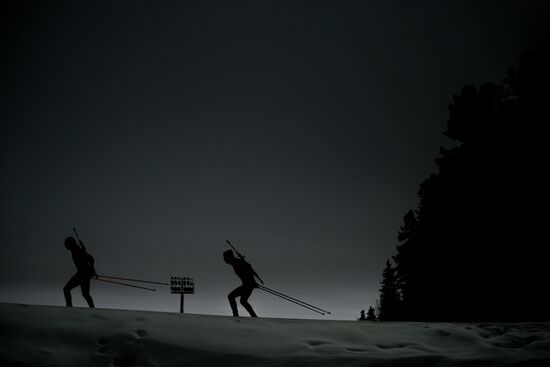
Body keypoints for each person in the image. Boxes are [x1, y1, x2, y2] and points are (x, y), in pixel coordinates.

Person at [223, 249, 263, 317]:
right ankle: (254, 316)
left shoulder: (237, 262)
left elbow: (249, 268)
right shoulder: (236, 262)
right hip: (249, 285)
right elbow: (248, 267)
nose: (224, 259)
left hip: (248, 285)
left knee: (231, 296)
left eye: (225, 258)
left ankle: (236, 315)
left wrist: (253, 282)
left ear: (229, 257)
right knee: (243, 301)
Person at [63, 236, 98, 308]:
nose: (66, 247)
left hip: (84, 274)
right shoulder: (76, 250)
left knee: (66, 289)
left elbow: (91, 258)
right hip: (83, 274)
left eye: (67, 245)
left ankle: (69, 307)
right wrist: (92, 271)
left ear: (70, 244)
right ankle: (92, 308)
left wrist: (91, 271)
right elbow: (90, 259)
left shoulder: (78, 250)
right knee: (85, 294)